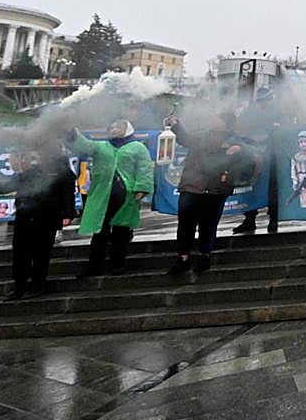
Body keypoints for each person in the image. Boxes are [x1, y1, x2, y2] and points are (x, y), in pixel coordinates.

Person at [166, 113, 257, 275]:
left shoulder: (234, 140)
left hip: (215, 189)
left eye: (218, 119)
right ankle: (183, 258)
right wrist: (176, 125)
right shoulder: (202, 136)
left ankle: (204, 255)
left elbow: (253, 151)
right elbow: (185, 139)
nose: (213, 121)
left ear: (226, 124)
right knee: (185, 224)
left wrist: (241, 149)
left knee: (208, 224)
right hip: (191, 186)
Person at [66, 119, 153, 278]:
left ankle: (117, 263)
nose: (113, 130)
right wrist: (72, 133)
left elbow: (144, 168)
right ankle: (94, 265)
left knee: (121, 230)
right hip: (102, 196)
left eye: (117, 127)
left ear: (127, 129)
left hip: (125, 196)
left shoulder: (138, 147)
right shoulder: (101, 146)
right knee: (100, 232)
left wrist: (142, 188)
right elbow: (84, 145)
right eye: (111, 127)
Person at [0, 141, 75, 300]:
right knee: (20, 253)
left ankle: (38, 284)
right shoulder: (30, 172)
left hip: (47, 218)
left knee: (41, 253)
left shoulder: (62, 172)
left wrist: (67, 215)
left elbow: (68, 195)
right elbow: (5, 188)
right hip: (24, 218)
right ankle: (19, 286)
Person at [232, 87, 284, 235]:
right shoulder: (250, 113)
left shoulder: (278, 113)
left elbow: (285, 128)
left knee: (272, 190)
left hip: (272, 156)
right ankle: (249, 219)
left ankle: (273, 219)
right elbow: (242, 129)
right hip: (253, 155)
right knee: (251, 188)